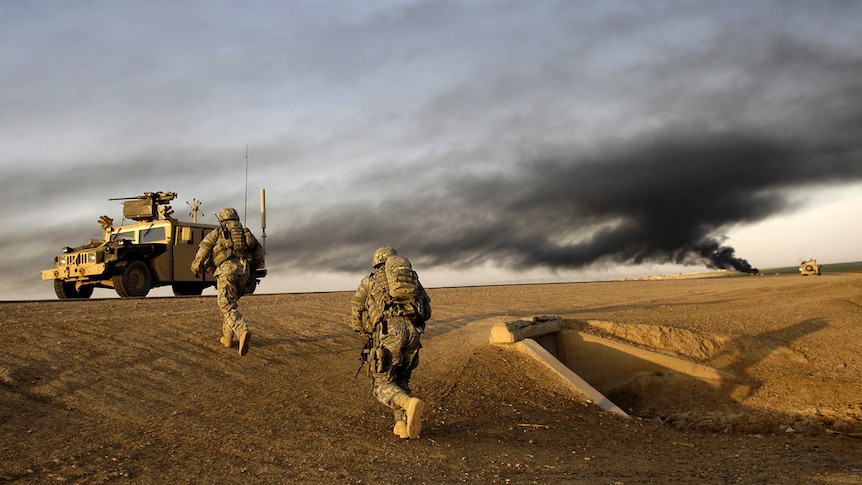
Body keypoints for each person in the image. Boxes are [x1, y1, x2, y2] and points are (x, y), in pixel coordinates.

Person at [351, 246, 432, 439]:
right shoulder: (413, 281)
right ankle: (401, 426)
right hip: (414, 331)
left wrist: (365, 331)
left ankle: (407, 403)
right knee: (401, 379)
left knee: (382, 384)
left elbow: (356, 309)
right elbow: (427, 311)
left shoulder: (370, 281)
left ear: (377, 262)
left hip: (389, 331)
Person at [191, 207, 264, 357]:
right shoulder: (245, 233)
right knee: (231, 304)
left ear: (222, 220)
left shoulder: (217, 232)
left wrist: (196, 266)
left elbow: (204, 249)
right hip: (245, 272)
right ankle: (227, 338)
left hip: (226, 271)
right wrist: (251, 270)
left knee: (226, 305)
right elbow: (259, 253)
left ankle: (242, 331)